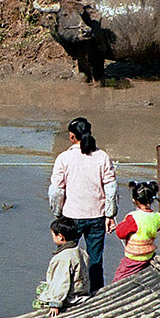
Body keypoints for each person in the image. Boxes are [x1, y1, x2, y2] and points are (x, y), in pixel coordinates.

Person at [49, 117, 117, 293]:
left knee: (66, 256)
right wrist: (110, 214)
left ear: (72, 137)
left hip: (71, 216)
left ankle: (67, 292)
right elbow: (111, 187)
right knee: (95, 259)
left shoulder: (64, 158)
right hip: (97, 216)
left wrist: (57, 213)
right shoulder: (102, 156)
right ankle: (95, 293)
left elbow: (56, 191)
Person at [35, 217, 91, 316]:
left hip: (70, 298)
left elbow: (61, 282)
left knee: (38, 302)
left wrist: (55, 303)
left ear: (60, 236)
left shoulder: (63, 258)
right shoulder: (81, 251)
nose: (52, 238)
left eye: (53, 235)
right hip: (81, 293)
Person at [111, 180, 160, 283]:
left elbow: (120, 233)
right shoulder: (158, 217)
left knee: (118, 279)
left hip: (133, 258)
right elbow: (158, 227)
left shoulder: (134, 218)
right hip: (148, 255)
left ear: (134, 200)